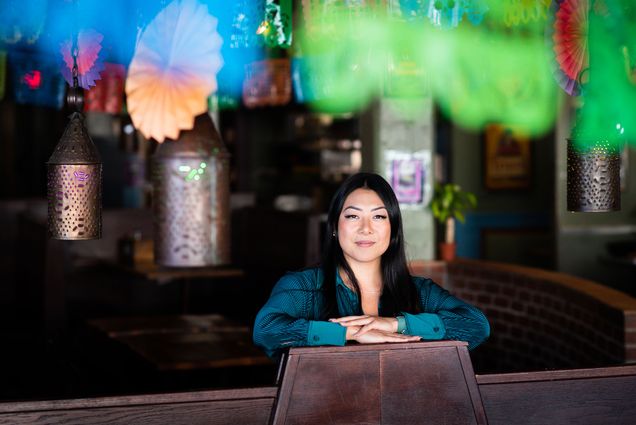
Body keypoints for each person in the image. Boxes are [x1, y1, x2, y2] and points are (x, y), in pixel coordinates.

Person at [253, 172, 490, 360]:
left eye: (378, 216)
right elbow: (266, 330)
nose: (366, 228)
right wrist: (351, 332)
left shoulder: (420, 291)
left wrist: (396, 324)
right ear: (335, 226)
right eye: (353, 216)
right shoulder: (303, 287)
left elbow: (476, 325)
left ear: (393, 229)